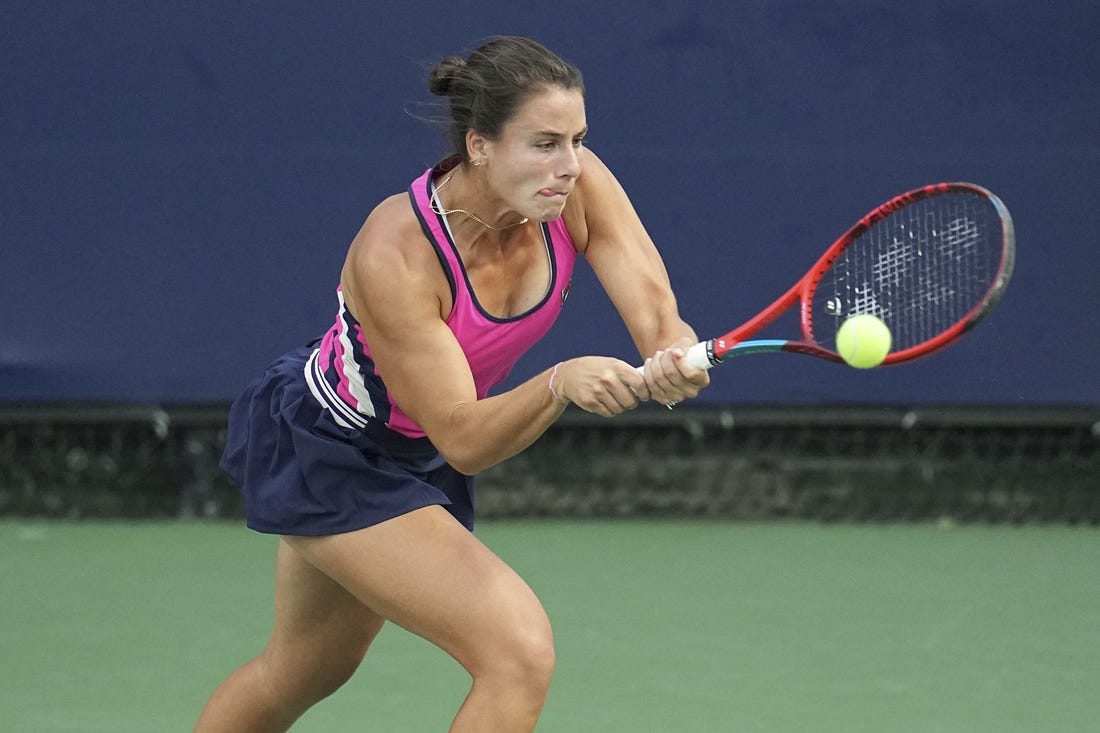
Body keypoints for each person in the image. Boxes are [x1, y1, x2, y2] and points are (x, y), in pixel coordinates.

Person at [194, 35, 709, 733]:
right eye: (544, 143)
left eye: (578, 140)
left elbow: (655, 313)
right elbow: (463, 437)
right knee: (517, 651)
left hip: (415, 453)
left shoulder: (578, 188)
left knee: (303, 668)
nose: (568, 165)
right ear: (480, 146)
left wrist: (673, 353)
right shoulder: (397, 252)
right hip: (334, 453)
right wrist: (559, 381)